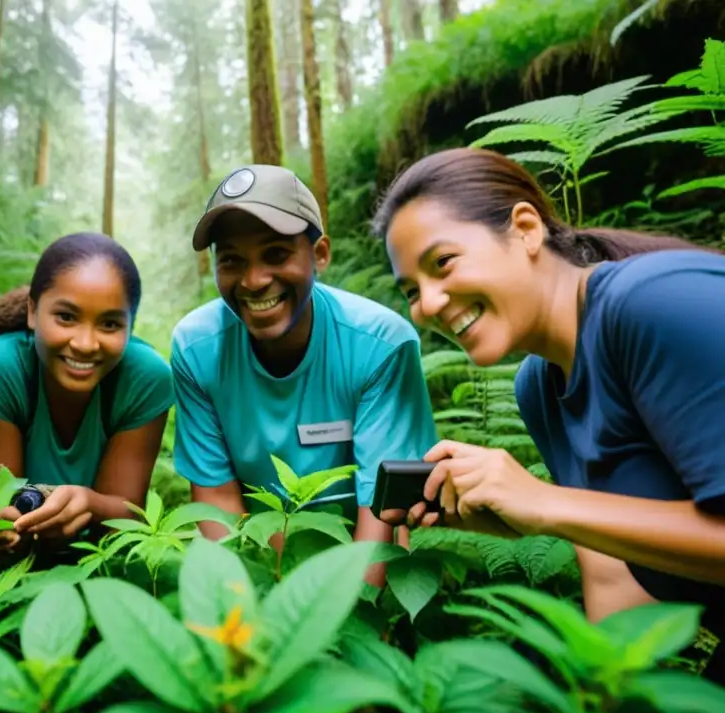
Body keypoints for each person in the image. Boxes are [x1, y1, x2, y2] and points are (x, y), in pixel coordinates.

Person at [373, 146, 725, 679]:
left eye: (442, 263)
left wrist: (545, 503)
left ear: (525, 228)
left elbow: (562, 508)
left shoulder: (651, 303)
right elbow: (615, 580)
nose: (429, 304)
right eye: (411, 291)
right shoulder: (538, 385)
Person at [171, 164, 438, 585]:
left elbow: (384, 508)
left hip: (365, 552)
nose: (254, 280)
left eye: (276, 254)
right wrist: (249, 608)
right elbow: (217, 496)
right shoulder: (196, 349)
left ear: (320, 255)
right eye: (232, 261)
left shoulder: (380, 345)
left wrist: (347, 619)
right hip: (260, 554)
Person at [0, 232, 174, 559]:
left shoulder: (146, 379)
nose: (85, 343)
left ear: (131, 327)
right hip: (14, 573)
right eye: (66, 317)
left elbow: (127, 514)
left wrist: (90, 504)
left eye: (109, 324)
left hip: (100, 563)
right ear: (33, 312)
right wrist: (1, 526)